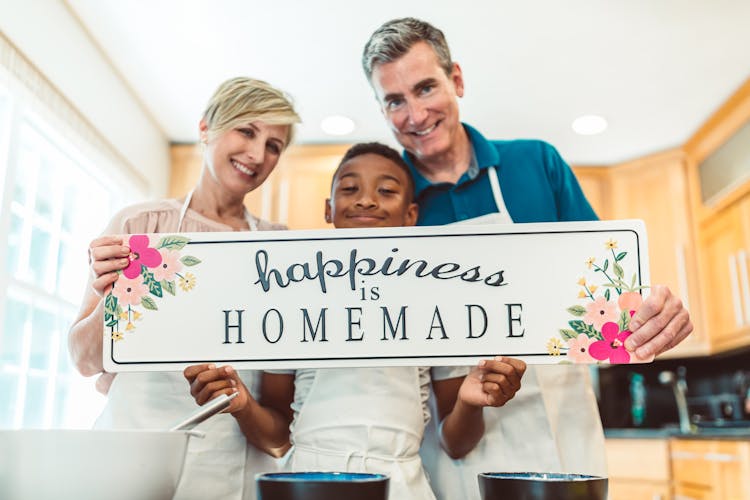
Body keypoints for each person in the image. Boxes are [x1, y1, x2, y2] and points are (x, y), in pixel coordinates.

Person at [360, 17, 694, 499]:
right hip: (457, 442)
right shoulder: (391, 202)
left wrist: (651, 316)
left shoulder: (537, 163)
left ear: (456, 79)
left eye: (426, 87)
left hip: (564, 426)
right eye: (394, 100)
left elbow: (611, 304)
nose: (414, 115)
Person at [183, 142, 528, 500]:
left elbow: (456, 444)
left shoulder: (436, 301)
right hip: (306, 480)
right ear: (329, 209)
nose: (366, 200)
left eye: (387, 191)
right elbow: (277, 436)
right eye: (350, 189)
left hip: (404, 485)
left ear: (411, 215)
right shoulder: (289, 299)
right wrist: (242, 406)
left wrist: (471, 403)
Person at [67, 77, 300, 500]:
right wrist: (116, 298)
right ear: (206, 128)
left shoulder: (278, 248)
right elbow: (83, 361)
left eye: (273, 146)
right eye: (246, 131)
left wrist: (238, 398)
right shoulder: (139, 226)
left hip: (228, 468)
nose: (257, 154)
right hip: (129, 463)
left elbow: (279, 426)